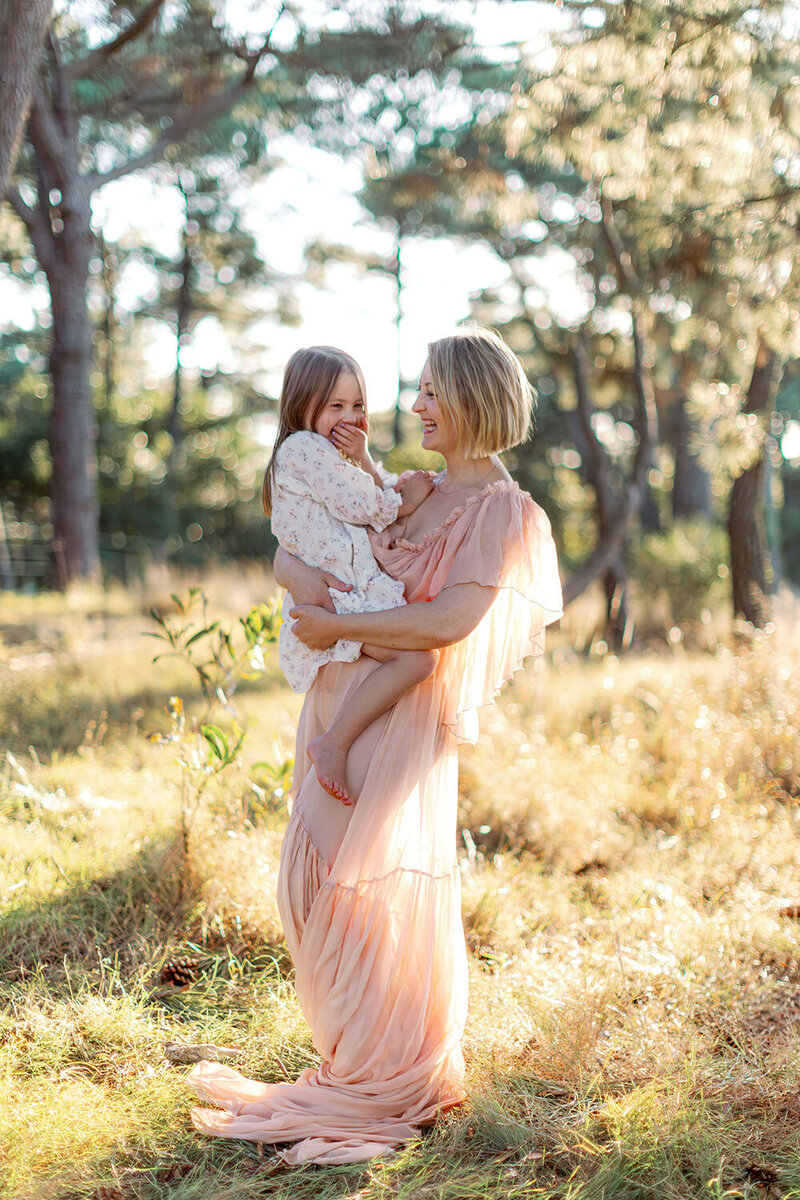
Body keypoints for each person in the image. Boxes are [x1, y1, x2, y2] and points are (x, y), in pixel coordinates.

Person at [186, 325, 564, 1166]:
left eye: (431, 390)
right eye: (420, 389)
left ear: (470, 399)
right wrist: (296, 577)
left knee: (347, 889)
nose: (417, 404)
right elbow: (309, 541)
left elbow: (444, 624)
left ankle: (382, 1071)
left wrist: (336, 620)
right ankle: (360, 1056)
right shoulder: (412, 487)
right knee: (312, 882)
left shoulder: (505, 511)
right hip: (333, 687)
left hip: (394, 713)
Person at [262, 344, 439, 804]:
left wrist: (364, 459)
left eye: (357, 405)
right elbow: (364, 505)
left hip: (345, 591)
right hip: (340, 597)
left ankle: (339, 742)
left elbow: (363, 489)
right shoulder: (304, 448)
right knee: (418, 659)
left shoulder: (328, 454)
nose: (350, 416)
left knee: (419, 659)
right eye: (335, 406)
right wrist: (408, 499)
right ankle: (333, 743)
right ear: (302, 406)